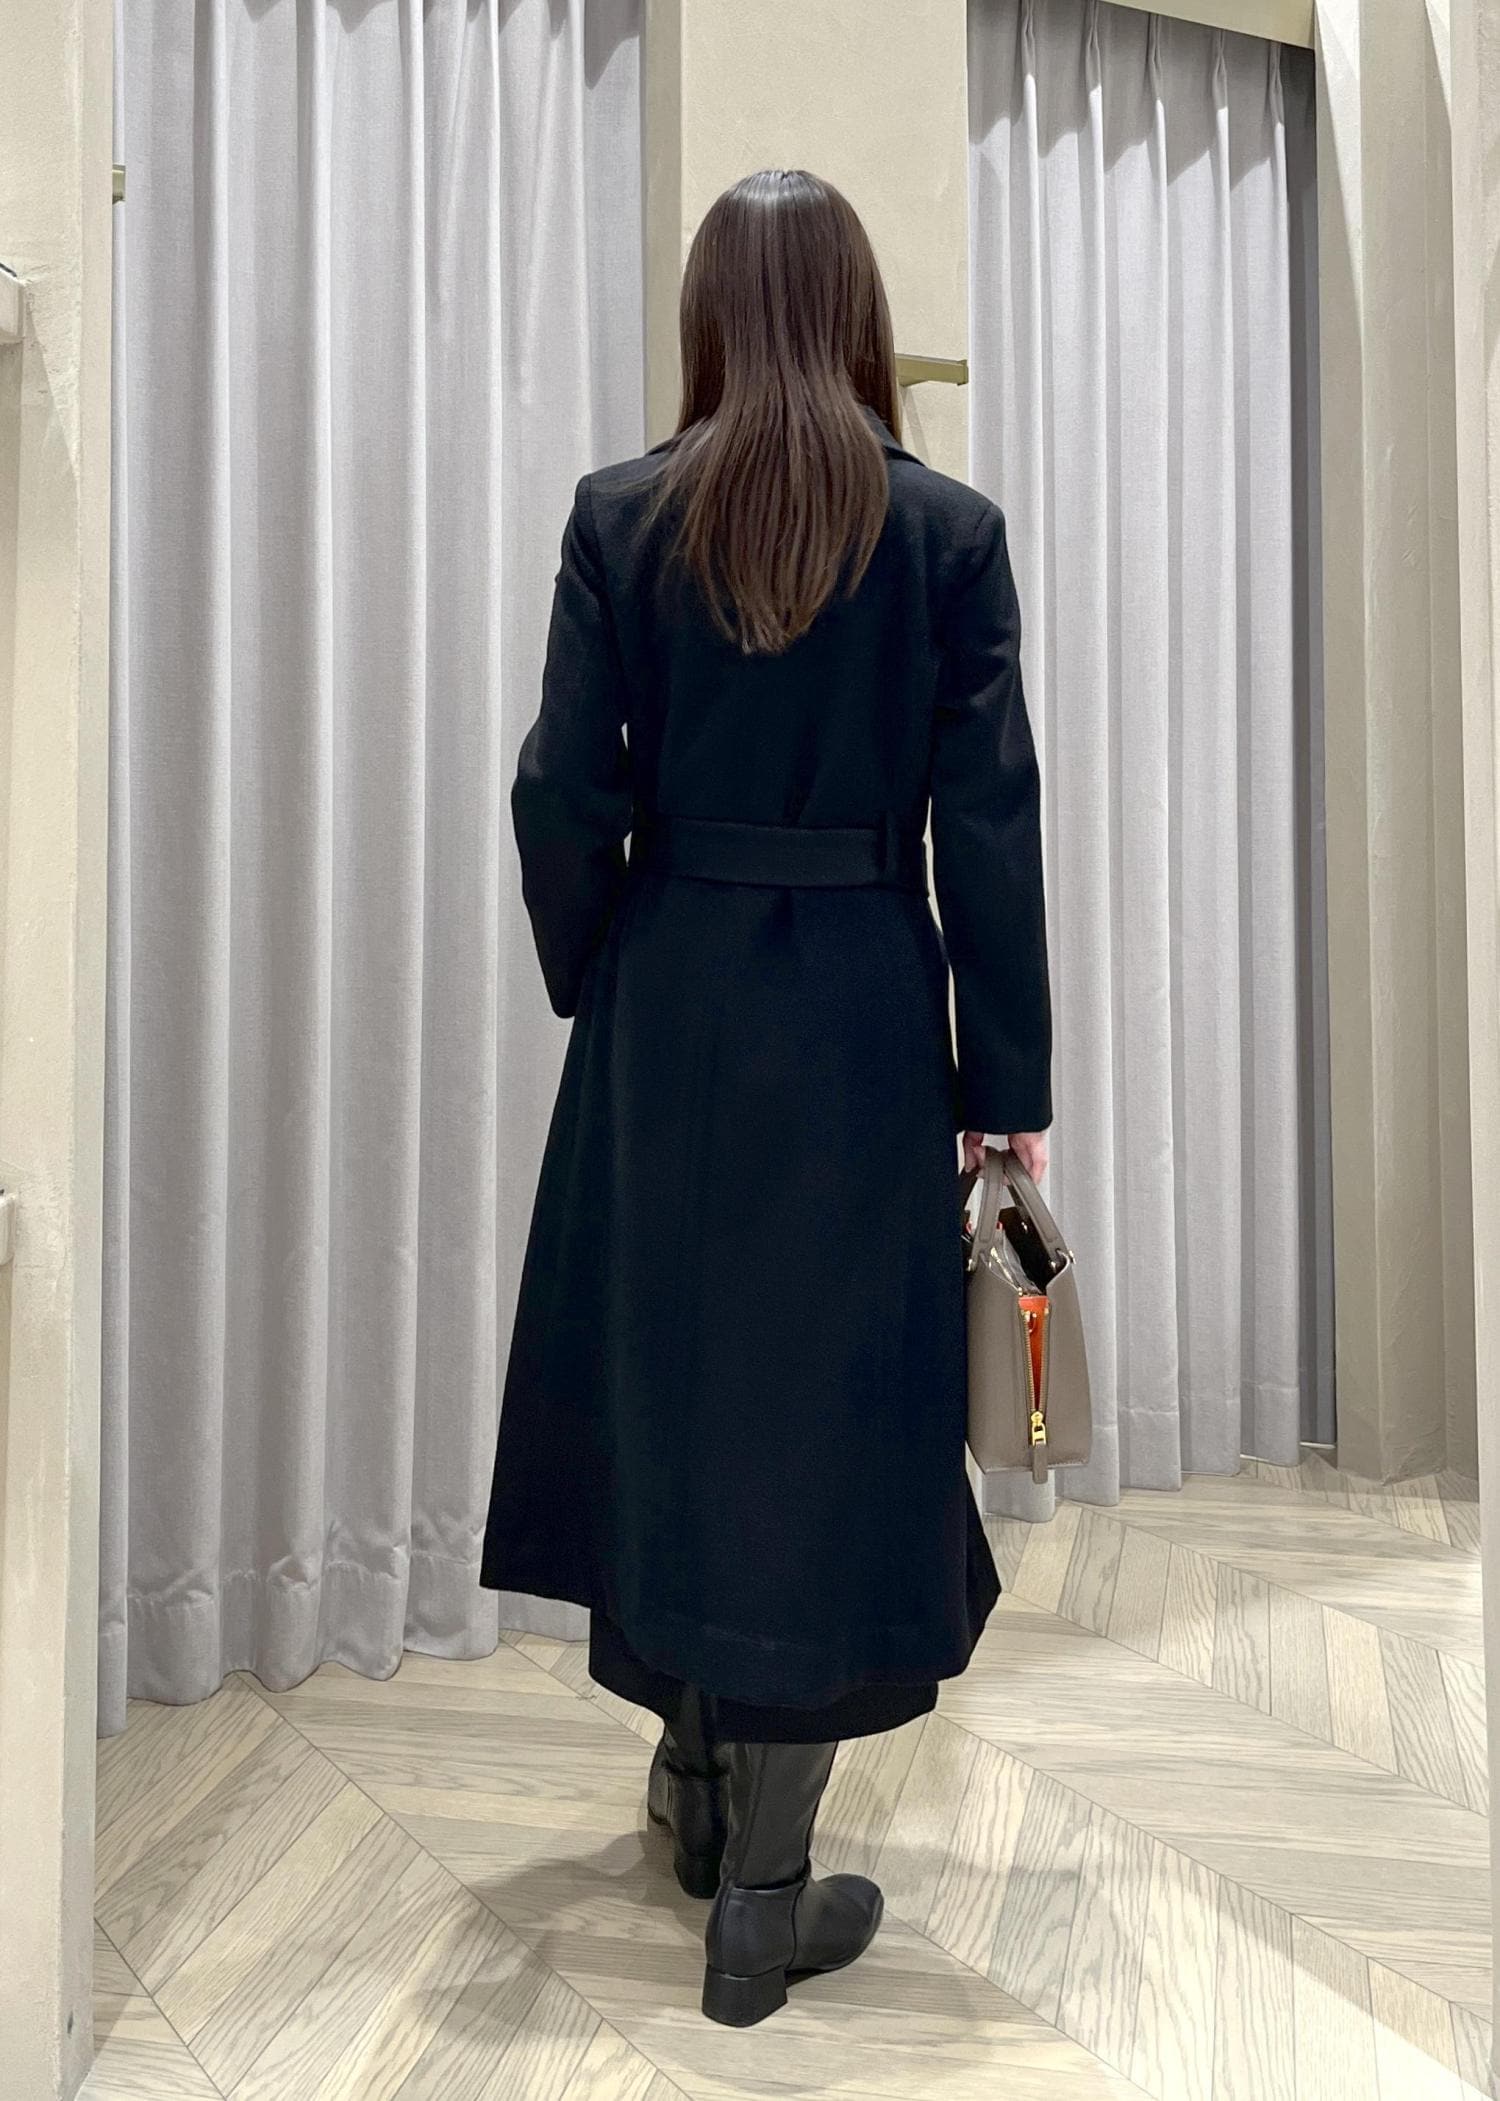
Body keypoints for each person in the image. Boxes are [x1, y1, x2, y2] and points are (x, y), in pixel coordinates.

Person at [480, 167, 1052, 2029]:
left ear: (711, 315)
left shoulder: (620, 513)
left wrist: (609, 968)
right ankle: (764, 1894)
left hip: (670, 1008)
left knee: (672, 1379)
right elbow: (991, 829)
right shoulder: (947, 533)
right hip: (867, 1015)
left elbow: (562, 791)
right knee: (825, 1418)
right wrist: (1008, 1087)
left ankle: (696, 1784)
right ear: (860, 314)